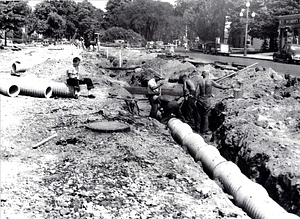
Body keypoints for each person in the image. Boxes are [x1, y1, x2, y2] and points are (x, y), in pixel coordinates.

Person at [194, 70, 232, 135]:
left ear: (202, 75)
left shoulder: (200, 82)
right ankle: (204, 131)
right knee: (205, 115)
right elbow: (220, 87)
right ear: (208, 75)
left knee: (199, 115)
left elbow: (196, 92)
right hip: (207, 100)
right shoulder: (210, 81)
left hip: (200, 99)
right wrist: (229, 87)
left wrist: (196, 99)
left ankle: (197, 129)